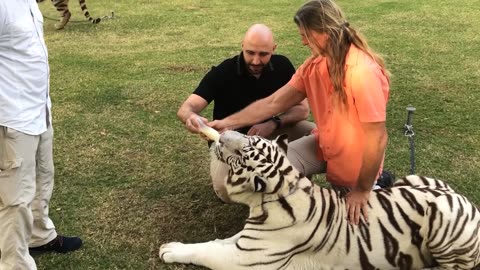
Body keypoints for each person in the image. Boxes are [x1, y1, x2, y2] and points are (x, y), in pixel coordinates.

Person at [209, 0, 391, 225]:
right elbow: (273, 103)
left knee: (354, 229)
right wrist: (227, 123)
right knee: (267, 169)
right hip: (325, 146)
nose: (303, 41)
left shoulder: (363, 72)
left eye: (305, 34)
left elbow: (377, 137)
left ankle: (375, 184)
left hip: (355, 163)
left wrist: (362, 190)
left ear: (324, 31)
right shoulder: (314, 66)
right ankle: (292, 214)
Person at [178, 23, 315, 202]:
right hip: (229, 142)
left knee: (312, 133)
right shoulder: (223, 72)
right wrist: (193, 119)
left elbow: (302, 109)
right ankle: (258, 180)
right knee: (226, 193)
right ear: (242, 45)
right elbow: (186, 109)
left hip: (269, 134)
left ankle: (292, 180)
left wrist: (273, 123)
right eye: (250, 52)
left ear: (274, 49)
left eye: (264, 54)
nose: (256, 61)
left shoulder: (282, 66)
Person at [0, 0, 82, 269]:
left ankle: (39, 236)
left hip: (39, 110)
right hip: (12, 116)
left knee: (42, 177)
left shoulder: (28, 3)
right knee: (16, 199)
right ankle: (14, 264)